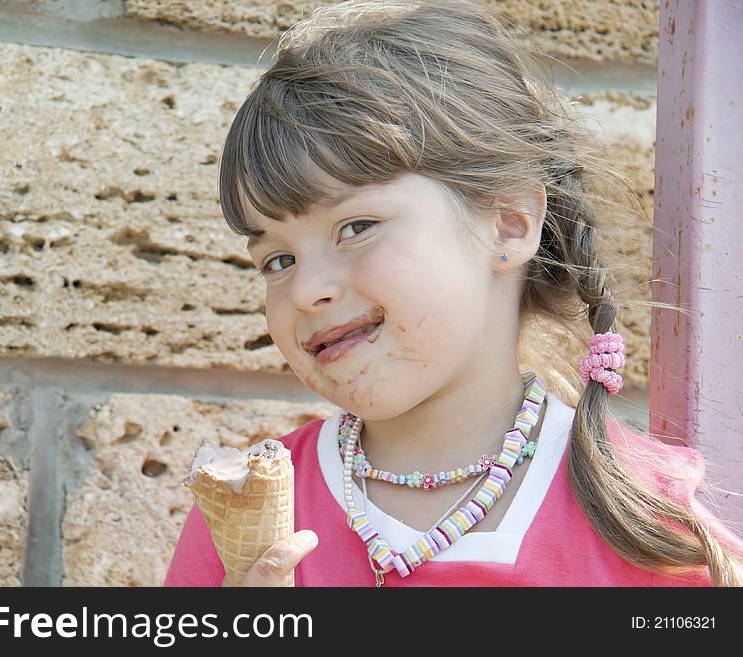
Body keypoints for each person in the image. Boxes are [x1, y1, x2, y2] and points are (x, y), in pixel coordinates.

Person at [165, 0, 743, 587]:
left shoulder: (654, 529)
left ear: (510, 224)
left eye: (356, 227)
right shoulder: (242, 520)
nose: (308, 290)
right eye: (279, 259)